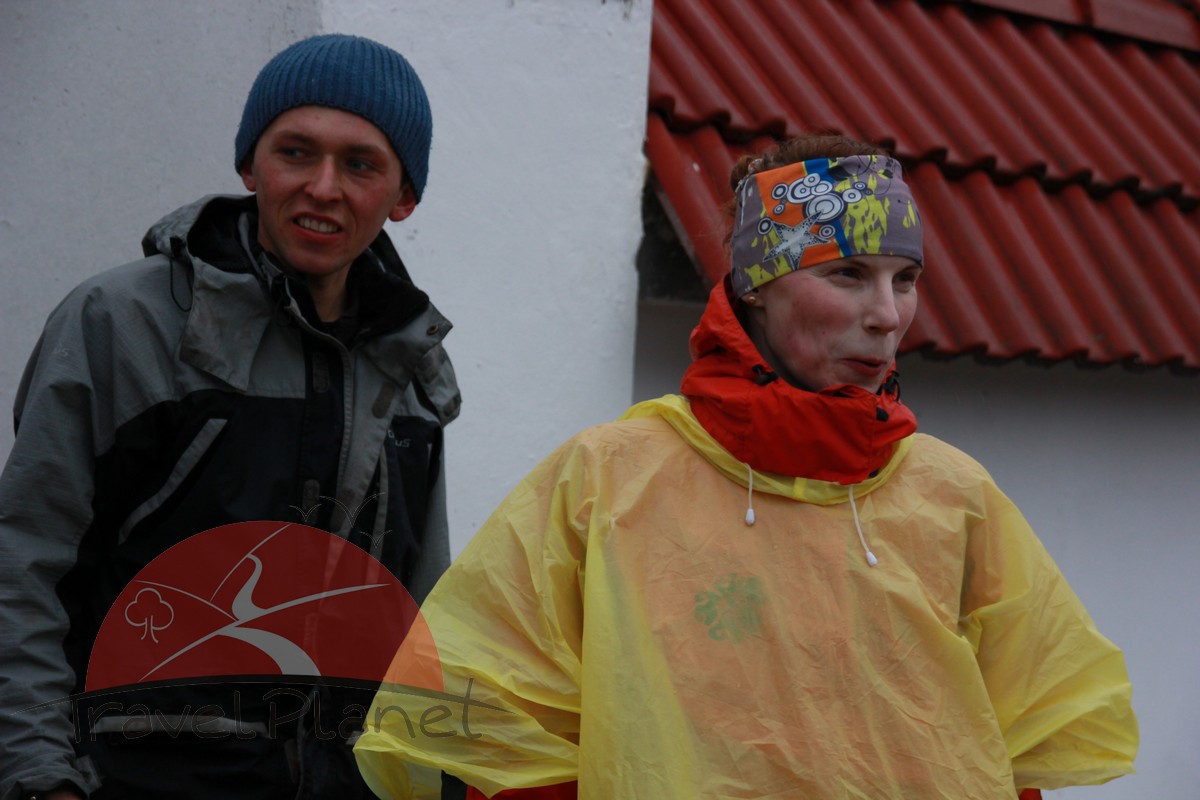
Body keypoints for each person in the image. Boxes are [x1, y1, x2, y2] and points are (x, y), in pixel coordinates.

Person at [354, 135, 1138, 798]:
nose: (886, 316)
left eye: (905, 280)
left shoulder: (954, 496)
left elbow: (1024, 728)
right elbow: (480, 699)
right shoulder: (608, 481)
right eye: (847, 274)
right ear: (756, 287)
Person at [0, 34, 461, 800]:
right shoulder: (124, 326)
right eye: (295, 152)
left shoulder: (410, 365)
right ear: (250, 165)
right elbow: (23, 567)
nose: (323, 187)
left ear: (403, 197)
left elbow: (420, 618)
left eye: (360, 164)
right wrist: (41, 778)